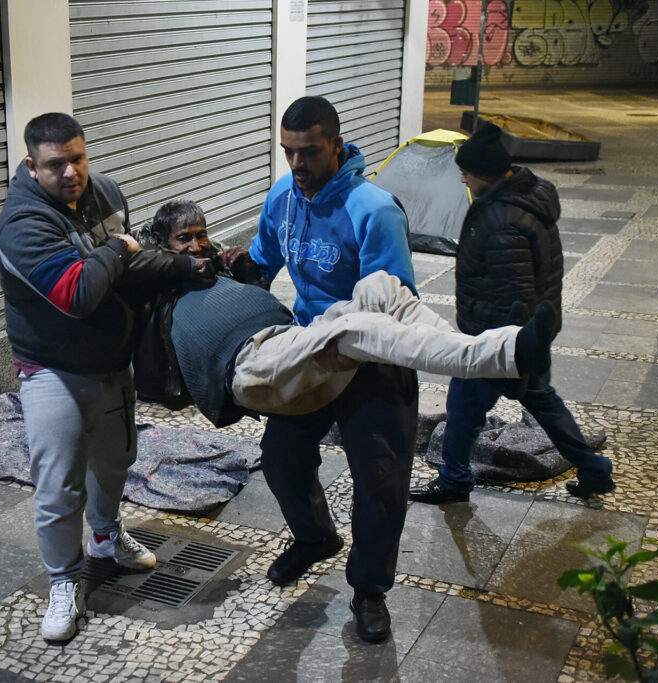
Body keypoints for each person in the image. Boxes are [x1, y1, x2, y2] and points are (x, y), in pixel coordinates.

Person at [0, 113, 209, 643]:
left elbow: (127, 271)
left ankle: (107, 538)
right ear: (31, 165)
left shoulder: (105, 191)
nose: (71, 172)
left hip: (112, 362)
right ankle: (64, 581)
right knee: (59, 485)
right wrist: (119, 247)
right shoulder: (22, 224)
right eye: (55, 164)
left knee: (115, 464)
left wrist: (185, 268)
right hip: (53, 371)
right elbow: (78, 292)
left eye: (77, 158)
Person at [222, 96, 420, 643]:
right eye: (288, 152)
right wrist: (238, 273)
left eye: (309, 152)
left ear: (336, 144)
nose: (297, 165)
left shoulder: (374, 209)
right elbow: (263, 264)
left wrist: (352, 341)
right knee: (282, 460)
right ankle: (314, 539)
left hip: (375, 358)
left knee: (380, 482)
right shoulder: (283, 196)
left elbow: (391, 300)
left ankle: (369, 591)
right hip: (312, 352)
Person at [135, 199, 556, 427]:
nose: (195, 247)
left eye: (200, 236)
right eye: (182, 240)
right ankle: (509, 354)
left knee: (379, 287)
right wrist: (167, 259)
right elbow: (131, 262)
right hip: (249, 368)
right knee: (358, 328)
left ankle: (479, 355)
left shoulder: (216, 269)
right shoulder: (156, 286)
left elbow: (248, 293)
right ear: (161, 244)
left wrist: (245, 273)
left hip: (290, 340)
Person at [408, 121, 616, 506]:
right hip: (530, 332)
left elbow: (515, 294)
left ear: (484, 174)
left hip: (501, 341)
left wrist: (499, 349)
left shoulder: (502, 220)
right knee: (544, 404)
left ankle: (453, 480)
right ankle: (594, 468)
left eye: (466, 174)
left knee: (462, 408)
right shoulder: (526, 196)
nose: (463, 182)